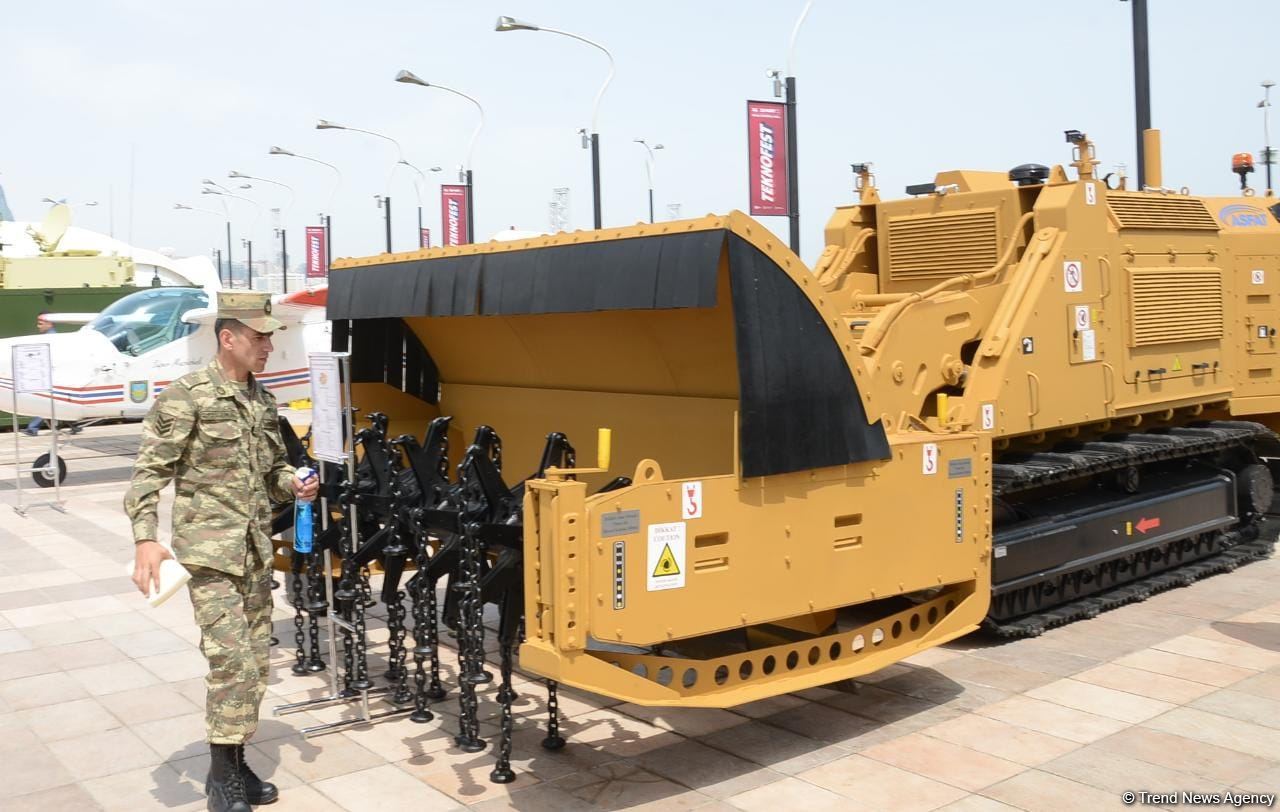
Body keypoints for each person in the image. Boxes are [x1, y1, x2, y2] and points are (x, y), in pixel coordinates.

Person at [125, 292, 317, 812]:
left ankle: (232, 761)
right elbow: (148, 476)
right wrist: (146, 537)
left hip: (254, 553)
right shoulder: (185, 398)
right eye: (259, 337)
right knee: (231, 661)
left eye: (271, 337)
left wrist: (294, 485)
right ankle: (220, 779)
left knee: (255, 663)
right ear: (228, 338)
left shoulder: (262, 401)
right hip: (209, 557)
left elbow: (273, 471)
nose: (269, 346)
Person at [22, 314, 54, 436]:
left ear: (49, 324)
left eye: (40, 323)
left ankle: (33, 428)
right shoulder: (49, 337)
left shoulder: (50, 339)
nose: (38, 326)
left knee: (46, 402)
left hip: (51, 377)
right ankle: (76, 426)